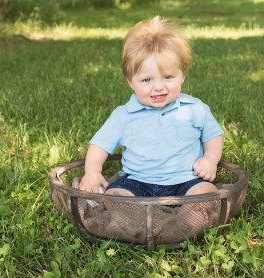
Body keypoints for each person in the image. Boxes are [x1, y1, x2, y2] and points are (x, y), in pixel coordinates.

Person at [77, 16, 224, 229]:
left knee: (209, 194)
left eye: (168, 77)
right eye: (147, 80)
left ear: (182, 75)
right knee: (115, 196)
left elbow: (213, 135)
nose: (158, 87)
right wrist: (92, 171)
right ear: (130, 82)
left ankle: (185, 217)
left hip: (186, 181)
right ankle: (137, 219)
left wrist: (210, 158)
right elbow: (99, 145)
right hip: (137, 183)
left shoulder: (195, 109)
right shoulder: (123, 116)